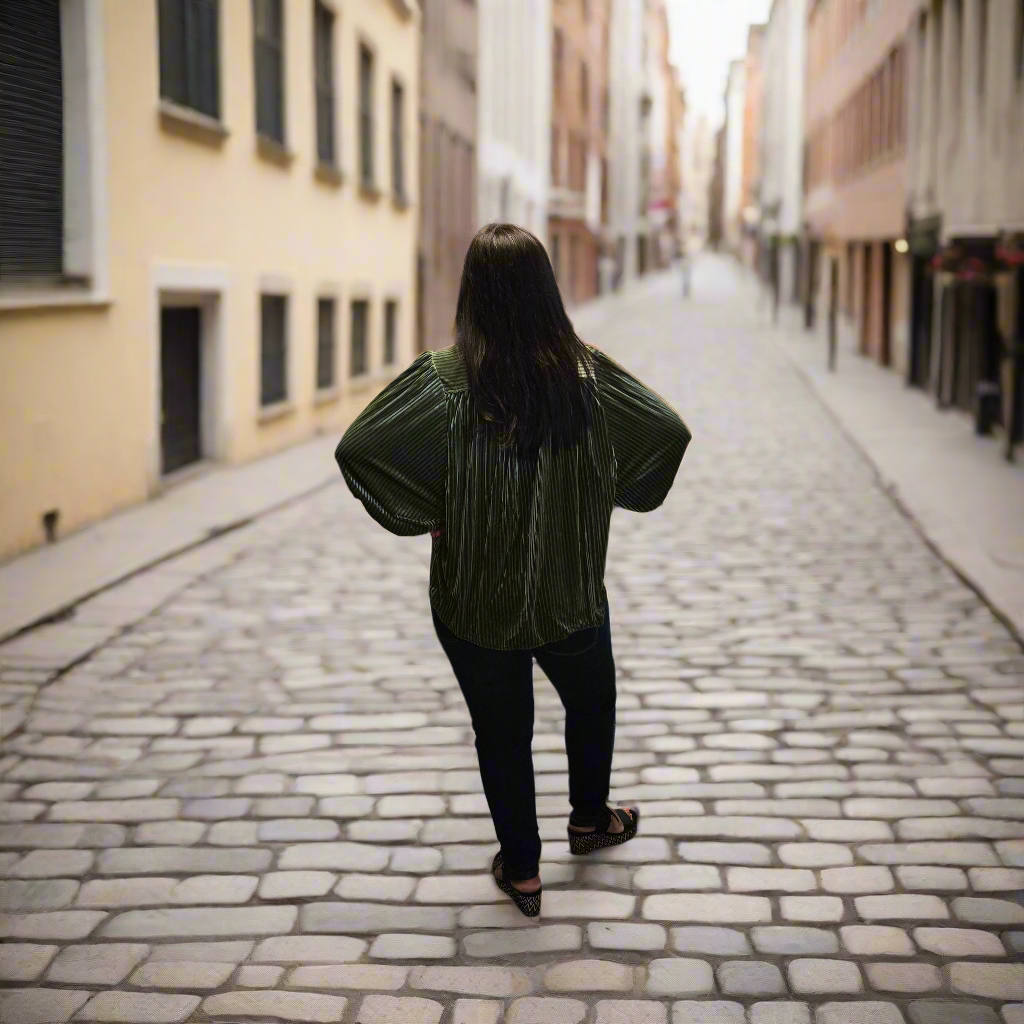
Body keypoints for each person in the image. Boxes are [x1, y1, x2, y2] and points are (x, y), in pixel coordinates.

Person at [336, 223, 691, 916]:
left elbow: (362, 448)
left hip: (473, 596)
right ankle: (590, 821)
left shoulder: (443, 381)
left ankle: (523, 870)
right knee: (592, 704)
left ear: (474, 293)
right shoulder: (588, 375)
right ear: (546, 292)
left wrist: (433, 511)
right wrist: (599, 494)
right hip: (570, 592)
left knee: (502, 731)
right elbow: (667, 432)